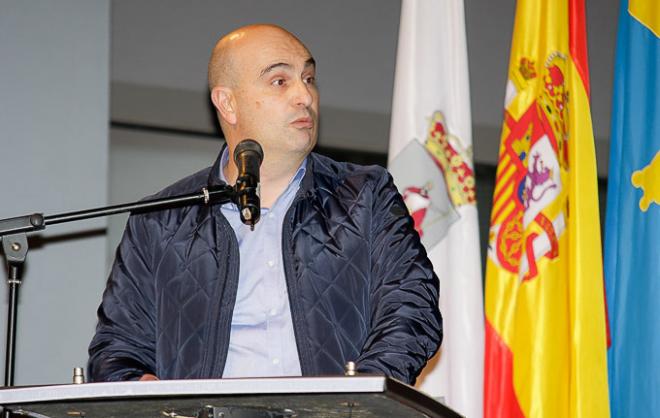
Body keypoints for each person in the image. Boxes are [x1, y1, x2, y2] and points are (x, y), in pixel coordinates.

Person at [88, 24, 442, 385]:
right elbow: (117, 352)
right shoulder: (161, 220)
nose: (304, 95)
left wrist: (353, 401)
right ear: (227, 103)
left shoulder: (365, 196)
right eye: (280, 81)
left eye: (309, 78)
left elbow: (412, 310)